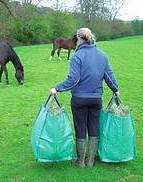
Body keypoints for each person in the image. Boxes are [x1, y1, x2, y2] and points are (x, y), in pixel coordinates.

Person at [50, 28, 119, 168]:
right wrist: (115, 89)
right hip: (96, 99)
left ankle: (80, 161)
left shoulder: (77, 56)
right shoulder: (102, 55)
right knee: (94, 127)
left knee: (80, 127)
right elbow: (109, 76)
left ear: (79, 39)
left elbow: (73, 79)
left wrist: (57, 88)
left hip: (79, 99)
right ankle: (90, 161)